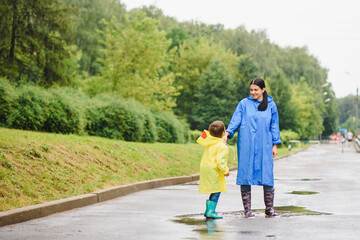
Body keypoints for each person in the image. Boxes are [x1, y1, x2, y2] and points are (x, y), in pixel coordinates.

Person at [223, 78, 282, 218]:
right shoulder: (244, 104)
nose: (253, 92)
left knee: (267, 174)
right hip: (247, 143)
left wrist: (274, 144)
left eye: (256, 90)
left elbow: (274, 125)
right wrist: (227, 133)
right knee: (245, 174)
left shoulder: (271, 105)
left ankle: (269, 209)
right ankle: (247, 210)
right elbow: (235, 119)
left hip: (265, 144)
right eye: (251, 90)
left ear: (263, 89)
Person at [197, 120, 230, 219]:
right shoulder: (222, 146)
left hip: (205, 167)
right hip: (213, 169)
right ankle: (211, 211)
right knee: (217, 190)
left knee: (213, 189)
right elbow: (220, 162)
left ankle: (208, 210)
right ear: (223, 133)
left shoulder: (210, 142)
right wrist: (225, 171)